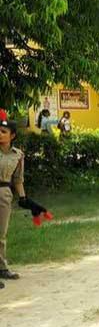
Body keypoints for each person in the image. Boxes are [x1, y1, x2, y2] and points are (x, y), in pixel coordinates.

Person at [0, 111, 24, 288]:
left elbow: (18, 179)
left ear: (12, 135)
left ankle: (2, 268)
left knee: (1, 233)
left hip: (4, 194)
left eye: (3, 132)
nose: (0, 134)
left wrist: (24, 198)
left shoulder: (18, 155)